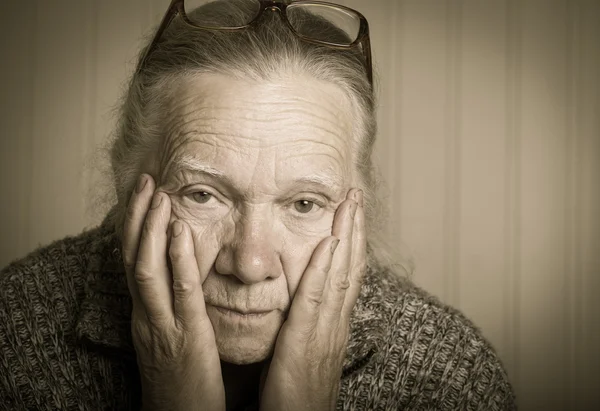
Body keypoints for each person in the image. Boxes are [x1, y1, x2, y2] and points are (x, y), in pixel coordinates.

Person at [0, 0, 516, 410]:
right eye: (202, 195)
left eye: (304, 204)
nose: (249, 265)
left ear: (359, 203)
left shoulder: (447, 377)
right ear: (128, 181)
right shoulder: (13, 337)